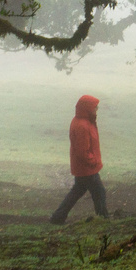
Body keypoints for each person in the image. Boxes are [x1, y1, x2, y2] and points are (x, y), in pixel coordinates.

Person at [50, 95, 107, 223]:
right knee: (99, 193)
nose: (96, 109)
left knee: (77, 192)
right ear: (87, 108)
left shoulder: (84, 121)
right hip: (86, 168)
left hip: (83, 167)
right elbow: (82, 151)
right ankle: (103, 219)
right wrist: (93, 162)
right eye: (94, 107)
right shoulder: (82, 125)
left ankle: (57, 218)